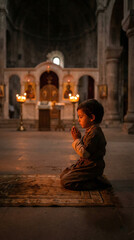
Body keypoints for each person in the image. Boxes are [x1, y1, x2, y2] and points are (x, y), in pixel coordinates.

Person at [60, 99, 111, 190]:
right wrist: (79, 138)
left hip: (92, 167)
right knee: (64, 173)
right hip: (85, 164)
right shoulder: (90, 130)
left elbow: (84, 153)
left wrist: (76, 139)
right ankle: (92, 178)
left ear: (92, 117)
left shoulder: (94, 133)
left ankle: (96, 183)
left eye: (81, 117)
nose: (79, 120)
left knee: (66, 181)